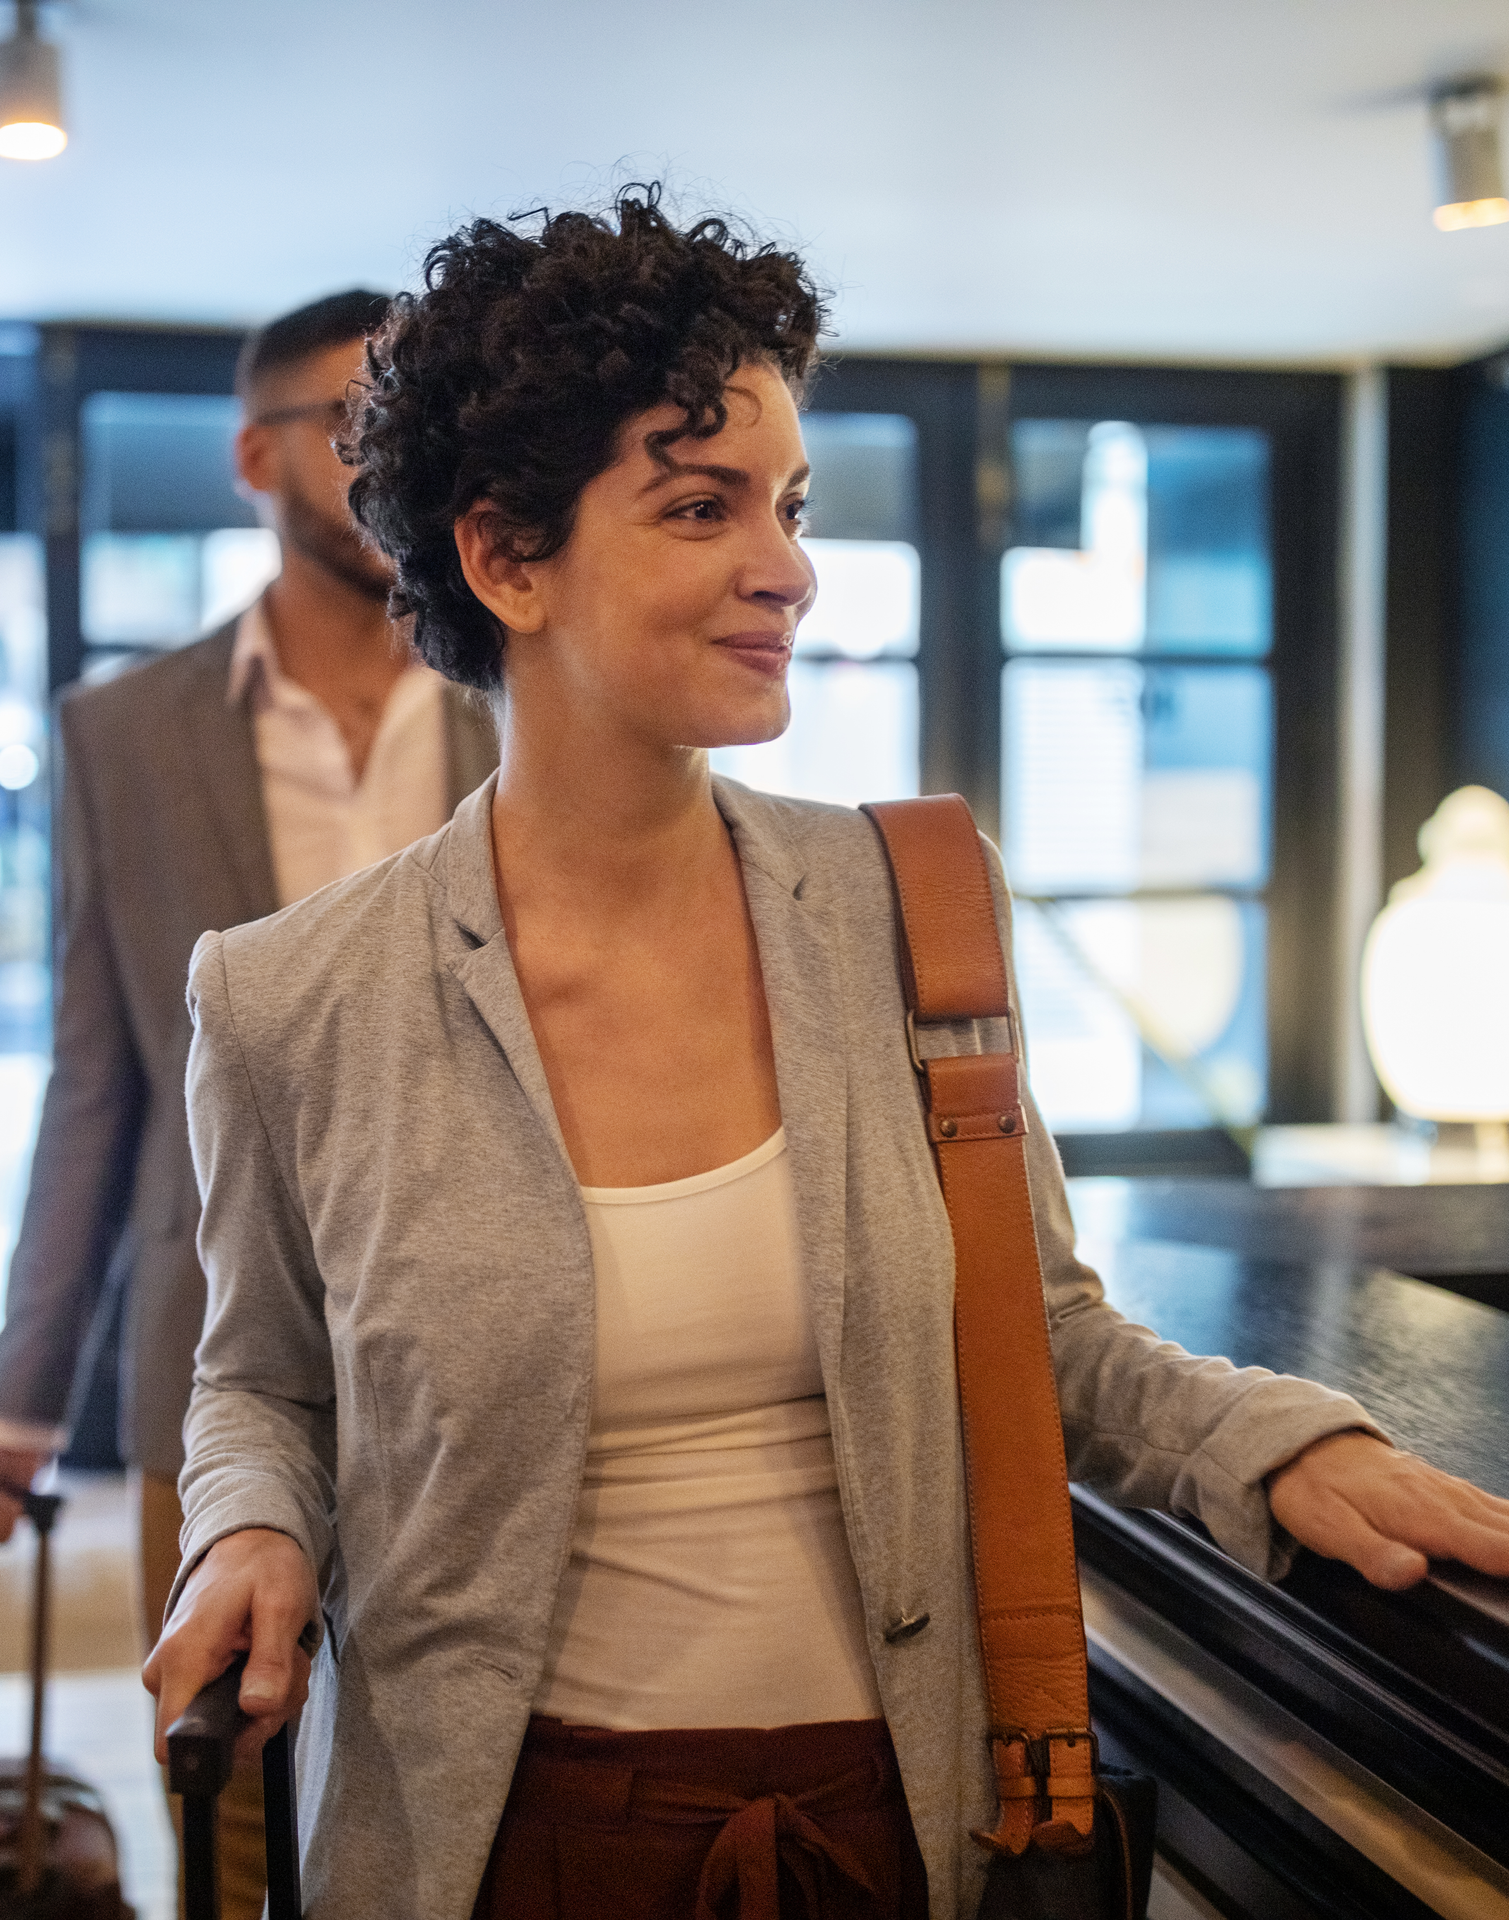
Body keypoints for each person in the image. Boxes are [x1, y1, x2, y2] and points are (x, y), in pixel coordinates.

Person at [142, 196, 1509, 1920]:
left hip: (899, 1824)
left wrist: (1286, 1445)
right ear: (506, 559)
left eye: (788, 506)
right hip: (492, 1843)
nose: (786, 565)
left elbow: (1043, 1330)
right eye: (700, 507)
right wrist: (250, 1528)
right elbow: (261, 1381)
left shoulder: (910, 905)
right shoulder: (291, 997)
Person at [0, 288, 498, 1916]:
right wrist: (19, 1414)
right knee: (231, 1789)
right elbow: (96, 1081)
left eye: (417, 427)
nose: (395, 462)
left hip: (499, 1337)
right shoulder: (122, 734)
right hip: (218, 1350)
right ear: (254, 454)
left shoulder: (525, 696)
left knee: (479, 1774)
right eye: (352, 423)